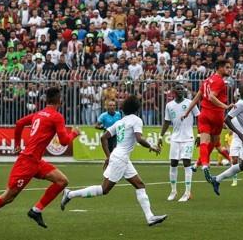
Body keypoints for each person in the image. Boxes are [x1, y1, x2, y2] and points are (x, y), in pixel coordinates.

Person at [0, 87, 80, 239]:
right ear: (60, 100)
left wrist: (17, 144)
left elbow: (19, 123)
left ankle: (36, 210)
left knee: (62, 181)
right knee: (8, 197)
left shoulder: (38, 113)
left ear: (47, 100)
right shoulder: (57, 116)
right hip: (27, 163)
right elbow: (64, 141)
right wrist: (74, 133)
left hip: (36, 161)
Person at [61, 95, 167, 226]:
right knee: (104, 189)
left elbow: (103, 138)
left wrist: (108, 156)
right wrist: (152, 146)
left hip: (120, 157)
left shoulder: (120, 122)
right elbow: (139, 139)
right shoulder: (136, 120)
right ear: (137, 108)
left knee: (139, 185)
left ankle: (150, 217)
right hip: (121, 159)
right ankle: (70, 194)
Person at [182, 59, 233, 182]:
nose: (229, 69)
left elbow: (196, 98)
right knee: (215, 143)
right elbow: (211, 97)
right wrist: (225, 106)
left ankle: (203, 164)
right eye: (227, 67)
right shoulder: (219, 81)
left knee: (204, 142)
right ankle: (230, 162)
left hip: (203, 114)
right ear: (219, 68)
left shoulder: (206, 81)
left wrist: (187, 112)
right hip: (216, 115)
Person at [158, 84, 200, 202]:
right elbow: (166, 122)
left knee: (186, 162)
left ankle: (187, 192)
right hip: (175, 138)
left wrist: (199, 134)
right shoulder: (169, 105)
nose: (181, 90)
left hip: (188, 138)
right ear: (173, 91)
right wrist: (160, 137)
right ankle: (173, 191)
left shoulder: (190, 103)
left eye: (182, 89)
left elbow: (199, 118)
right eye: (178, 89)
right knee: (173, 163)